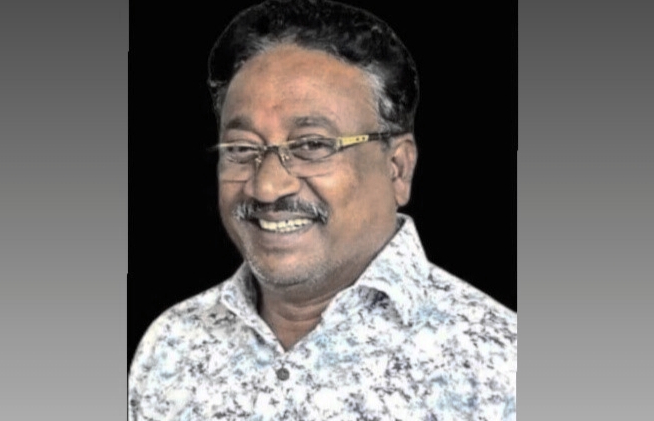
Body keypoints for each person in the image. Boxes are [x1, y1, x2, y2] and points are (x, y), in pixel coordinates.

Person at [128, 0, 517, 419]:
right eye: (242, 148)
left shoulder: (498, 368)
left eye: (312, 145)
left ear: (398, 168)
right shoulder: (172, 346)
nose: (267, 186)